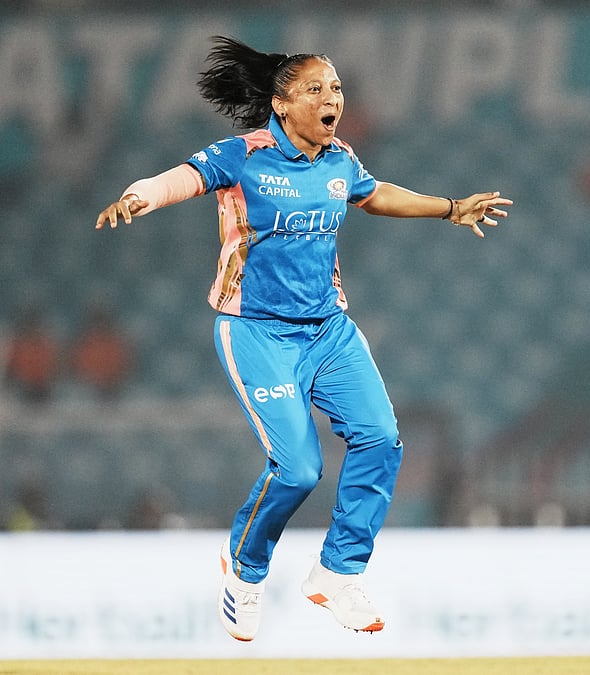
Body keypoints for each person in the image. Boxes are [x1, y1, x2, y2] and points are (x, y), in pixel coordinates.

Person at [95, 36, 511, 642]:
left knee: (383, 439)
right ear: (282, 104)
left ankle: (337, 572)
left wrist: (450, 208)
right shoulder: (244, 155)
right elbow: (184, 177)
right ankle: (243, 568)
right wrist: (140, 195)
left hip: (329, 330)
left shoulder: (339, 159)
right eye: (316, 88)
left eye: (336, 87)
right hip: (257, 331)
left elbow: (376, 195)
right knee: (296, 469)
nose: (332, 97)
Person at [70, 301, 133, 401]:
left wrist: (112, 381)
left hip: (115, 390)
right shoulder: (83, 345)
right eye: (96, 323)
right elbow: (75, 369)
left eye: (103, 323)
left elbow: (125, 367)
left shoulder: (117, 344)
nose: (99, 327)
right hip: (87, 391)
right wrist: (90, 381)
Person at [3, 304, 58, 406]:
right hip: (24, 388)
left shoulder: (44, 343)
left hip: (41, 388)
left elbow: (53, 367)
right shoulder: (20, 344)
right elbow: (11, 366)